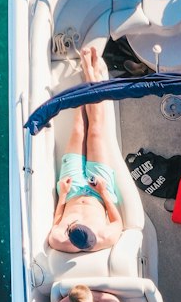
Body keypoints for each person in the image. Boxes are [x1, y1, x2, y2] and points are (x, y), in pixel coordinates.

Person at [47, 46, 125, 255]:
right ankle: (90, 74)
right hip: (98, 191)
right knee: (96, 130)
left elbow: (56, 222)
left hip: (71, 190)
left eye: (71, 224)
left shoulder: (58, 239)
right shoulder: (105, 237)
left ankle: (87, 80)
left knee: (79, 128)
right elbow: (117, 220)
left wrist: (62, 195)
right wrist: (102, 192)